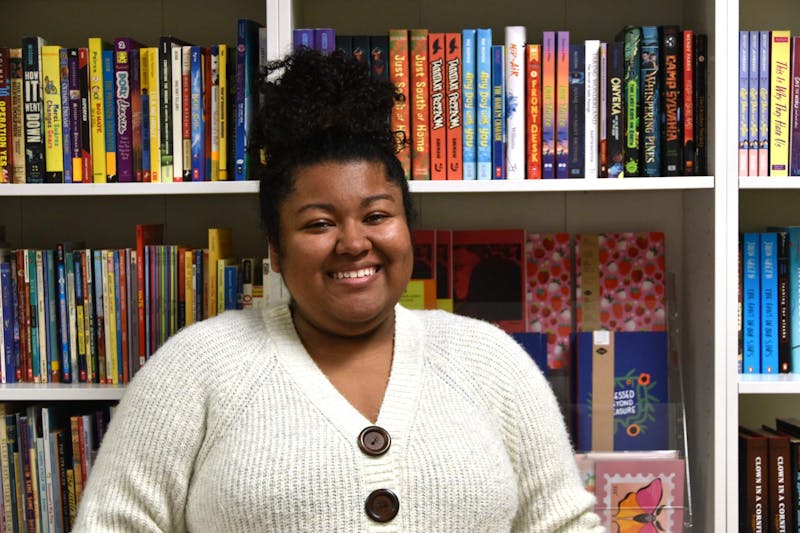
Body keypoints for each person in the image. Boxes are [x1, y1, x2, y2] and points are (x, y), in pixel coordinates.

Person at [75, 48, 602, 532]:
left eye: (376, 215)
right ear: (276, 251)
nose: (354, 243)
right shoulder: (195, 368)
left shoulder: (490, 360)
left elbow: (564, 526)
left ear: (407, 230)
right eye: (319, 223)